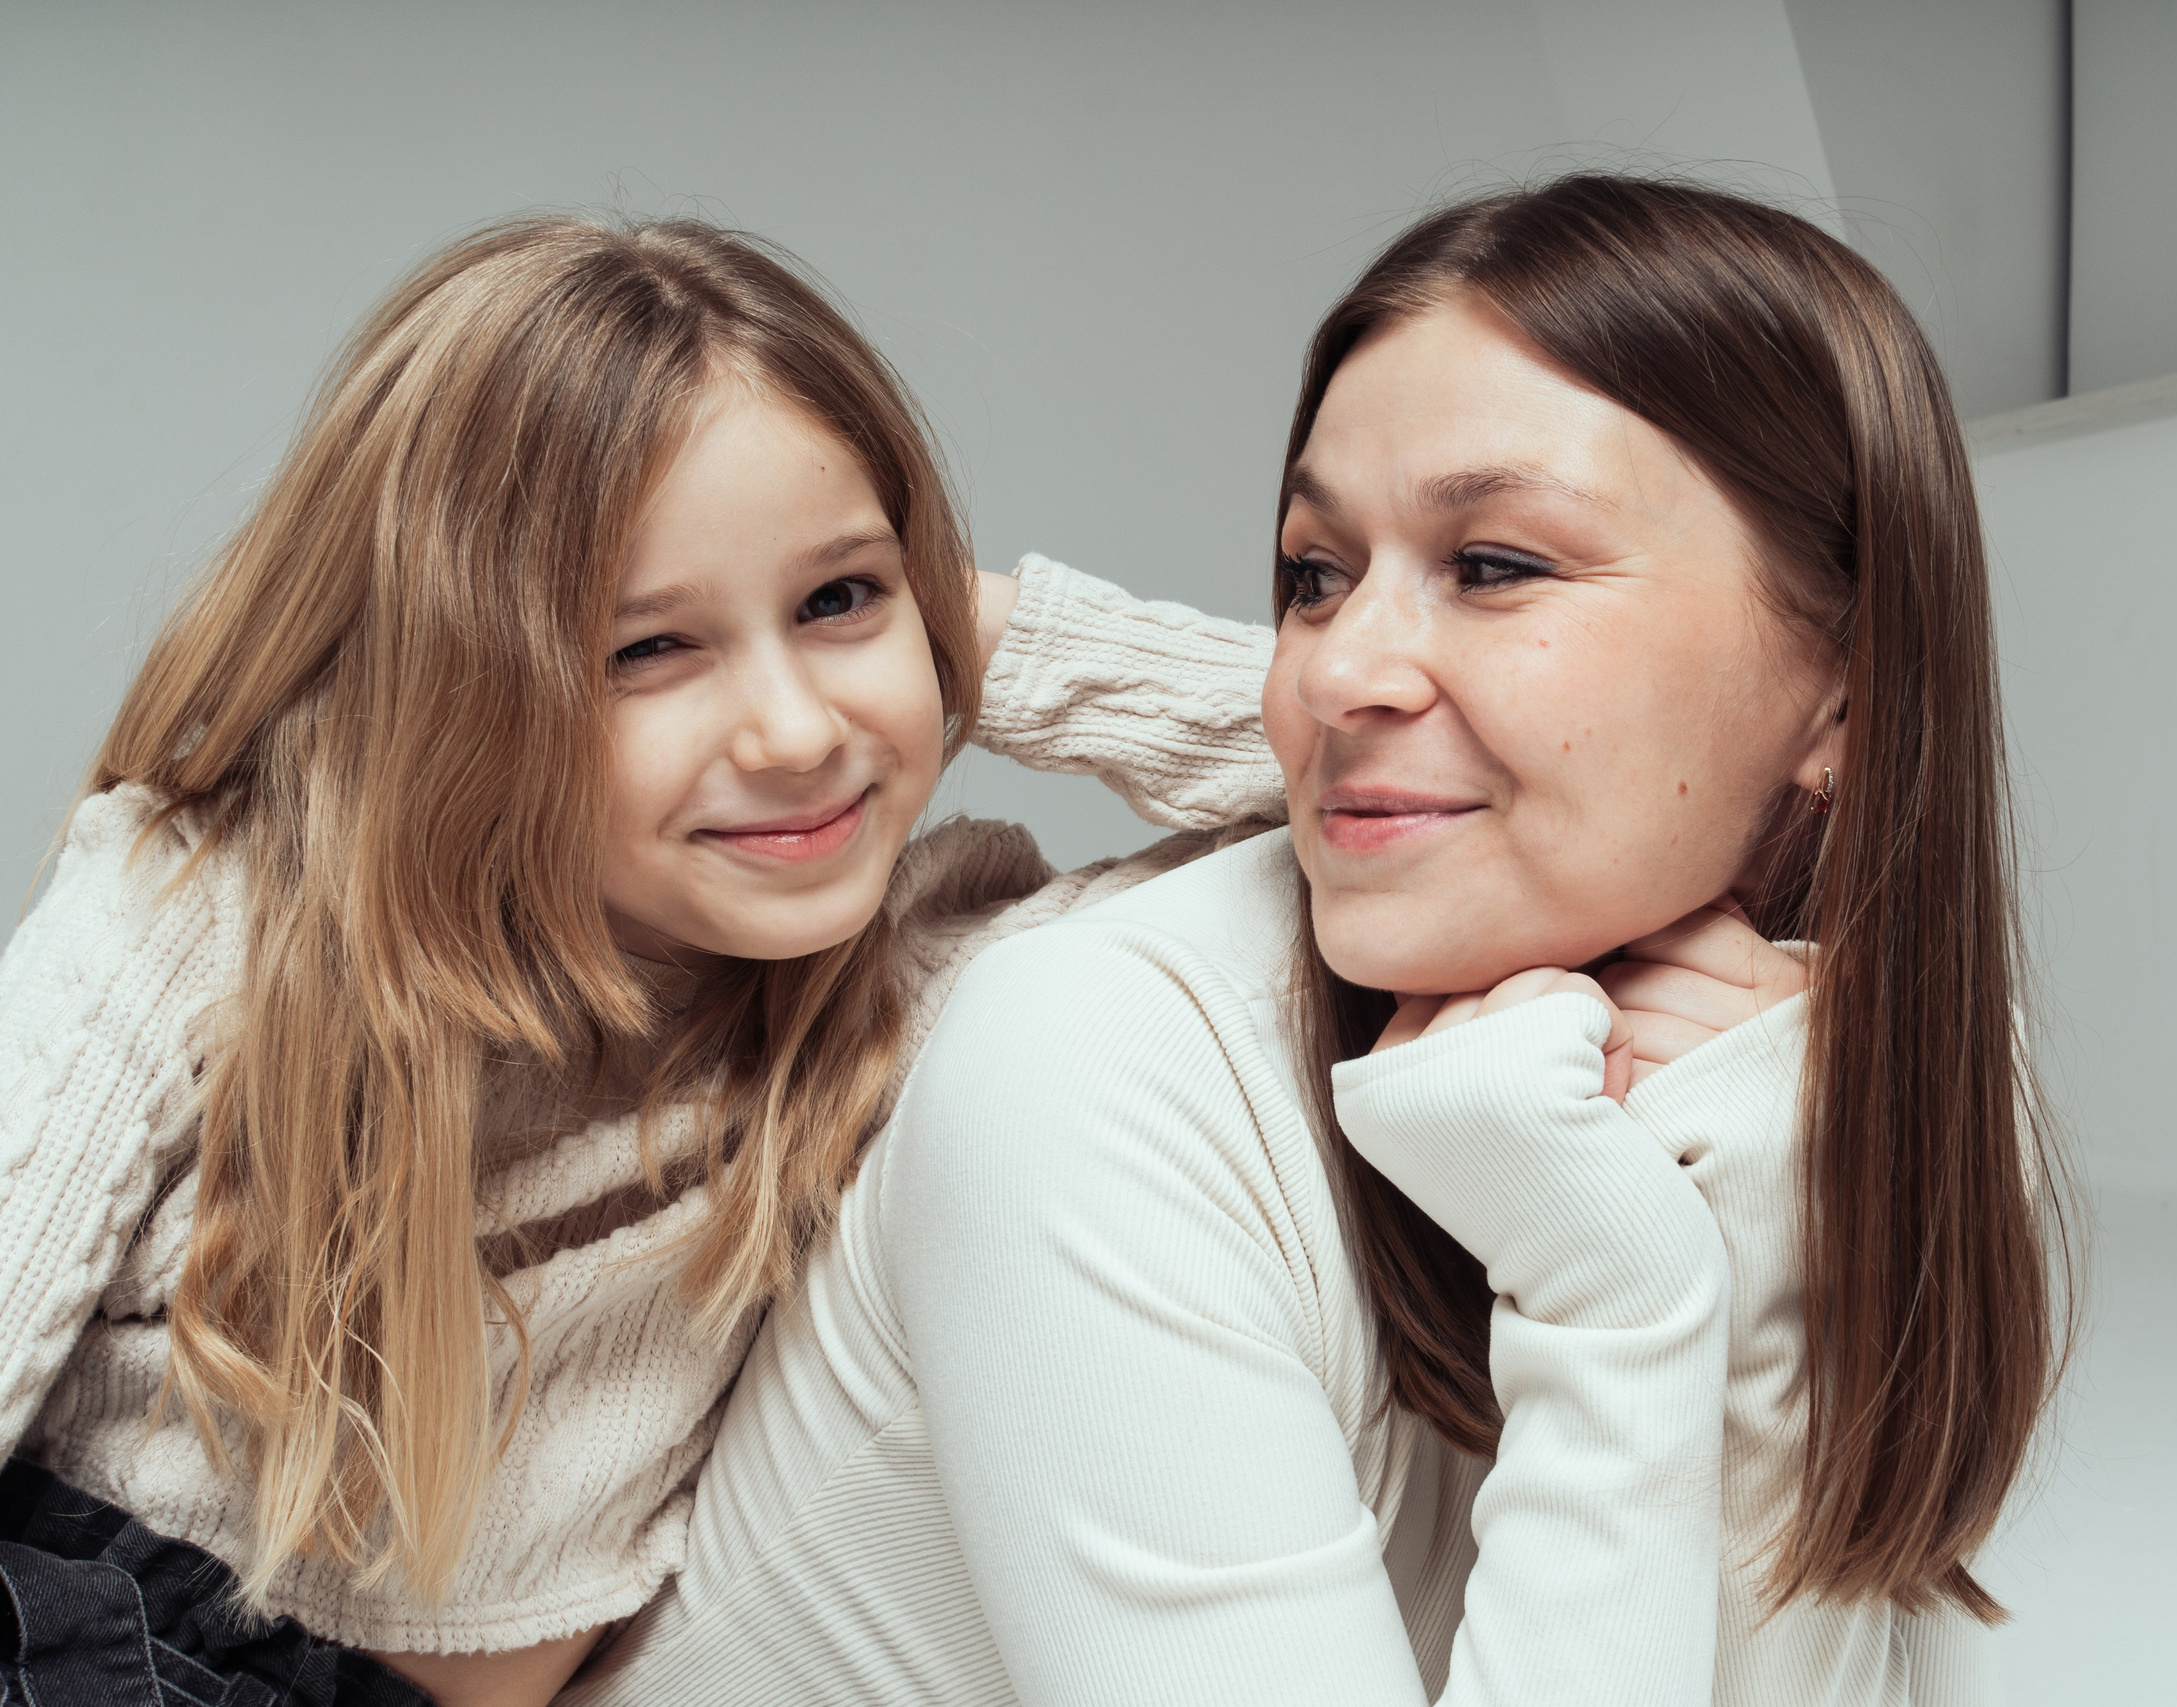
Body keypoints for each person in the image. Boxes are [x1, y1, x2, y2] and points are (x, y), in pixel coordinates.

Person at [576, 174, 2066, 1705]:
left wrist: (1752, 1231)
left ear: (1846, 685)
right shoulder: (1098, 1058)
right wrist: (1621, 1301)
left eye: (1493, 566)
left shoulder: (1821, 1058)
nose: (1334, 671)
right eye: (1313, 575)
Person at [0, 215, 1283, 1706]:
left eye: (838, 600)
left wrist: (975, 629)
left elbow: (1383, 775)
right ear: (455, 686)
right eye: (646, 651)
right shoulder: (213, 908)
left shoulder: (899, 975)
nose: (796, 731)